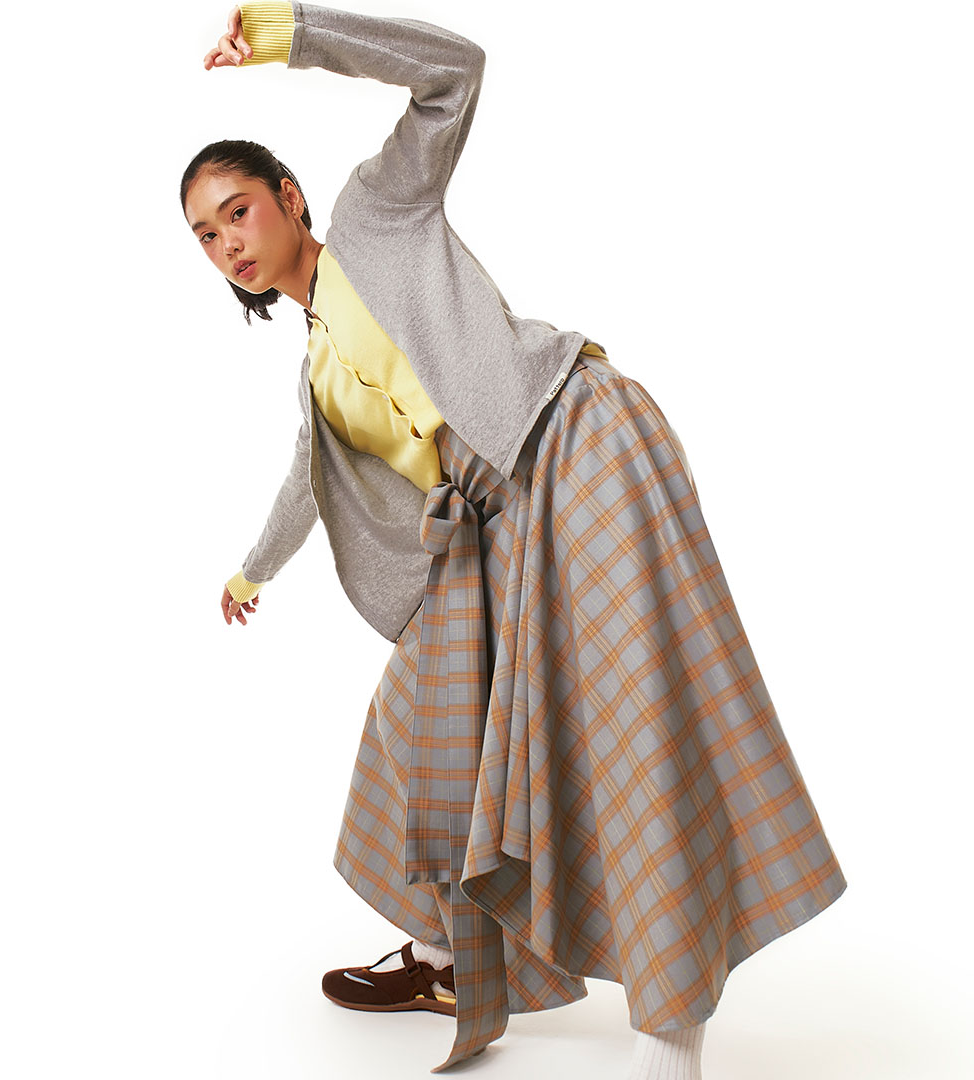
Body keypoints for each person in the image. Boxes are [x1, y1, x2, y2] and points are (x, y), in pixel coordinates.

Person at [180, 3, 848, 1077]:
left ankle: (671, 1030)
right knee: (417, 722)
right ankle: (447, 953)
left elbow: (455, 71)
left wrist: (291, 34)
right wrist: (250, 569)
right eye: (207, 238)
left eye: (238, 213)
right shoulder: (314, 365)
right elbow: (307, 482)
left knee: (629, 713)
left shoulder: (377, 213)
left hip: (573, 437)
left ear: (289, 198)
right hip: (493, 527)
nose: (229, 247)